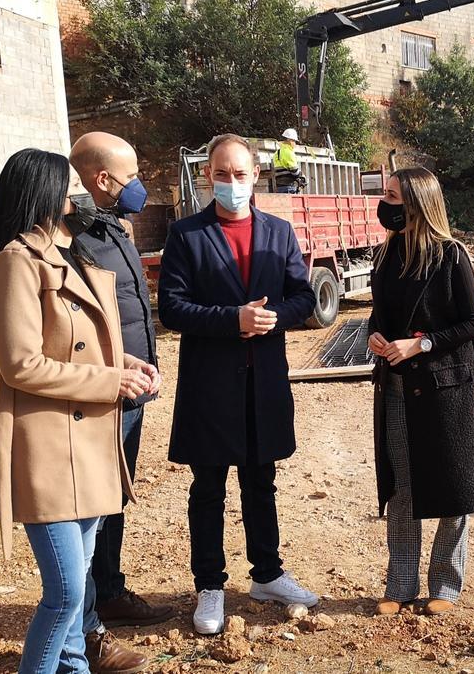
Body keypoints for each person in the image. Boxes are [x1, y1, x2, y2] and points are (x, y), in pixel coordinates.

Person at [0, 149, 160, 673]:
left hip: (89, 444)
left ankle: (73, 667)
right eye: (70, 186)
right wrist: (109, 380)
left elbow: (77, 343)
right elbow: (21, 364)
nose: (80, 197)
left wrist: (126, 363)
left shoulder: (68, 256)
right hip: (47, 450)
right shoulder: (14, 263)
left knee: (80, 580)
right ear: (43, 193)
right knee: (66, 593)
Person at [157, 134, 318, 635]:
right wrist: (234, 320)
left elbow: (303, 296)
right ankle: (210, 585)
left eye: (240, 174)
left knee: (260, 481)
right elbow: (172, 307)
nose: (231, 183)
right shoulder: (186, 235)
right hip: (210, 382)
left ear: (255, 175)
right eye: (222, 174)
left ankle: (267, 574)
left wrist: (271, 318)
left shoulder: (278, 231)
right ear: (208, 175)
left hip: (263, 380)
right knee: (208, 487)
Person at [366, 167, 474, 617]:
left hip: (446, 392)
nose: (385, 203)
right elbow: (378, 317)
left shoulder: (451, 256)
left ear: (418, 203)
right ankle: (400, 585)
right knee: (402, 488)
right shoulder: (385, 257)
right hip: (397, 389)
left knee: (452, 488)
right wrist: (376, 337)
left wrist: (420, 344)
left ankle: (445, 584)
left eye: (392, 196)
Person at [69, 132, 173, 672]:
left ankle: (109, 591)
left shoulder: (114, 227)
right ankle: (86, 628)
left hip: (132, 389)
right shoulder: (74, 235)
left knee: (114, 502)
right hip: (102, 394)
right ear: (101, 179)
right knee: (90, 510)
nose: (139, 186)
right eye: (131, 176)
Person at [273, 128, 304, 194]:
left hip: (278, 187)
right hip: (288, 187)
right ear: (289, 140)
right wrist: (301, 176)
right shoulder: (289, 152)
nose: (295, 144)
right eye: (294, 141)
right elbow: (295, 171)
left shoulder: (277, 152)